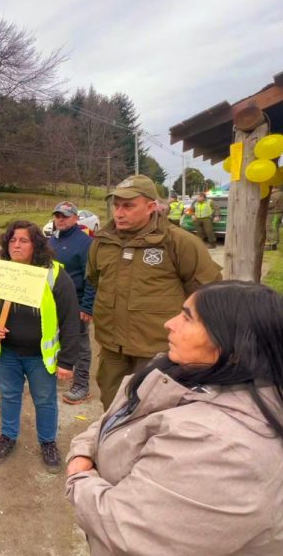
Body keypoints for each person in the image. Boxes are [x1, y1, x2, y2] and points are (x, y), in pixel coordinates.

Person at [66, 281, 283, 556]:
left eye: (187, 318)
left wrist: (79, 476)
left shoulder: (224, 449)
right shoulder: (180, 371)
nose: (169, 324)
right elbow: (119, 417)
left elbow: (125, 527)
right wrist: (84, 448)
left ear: (231, 342)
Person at [88, 175, 222, 410]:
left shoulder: (178, 242)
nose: (119, 212)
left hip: (156, 352)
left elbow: (207, 294)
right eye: (116, 205)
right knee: (112, 409)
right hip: (112, 349)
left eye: (128, 206)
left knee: (154, 414)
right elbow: (96, 280)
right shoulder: (102, 242)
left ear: (151, 207)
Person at [0, 220, 80, 473]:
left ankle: (48, 442)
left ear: (36, 245)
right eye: (12, 240)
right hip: (6, 353)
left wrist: (67, 361)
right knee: (9, 397)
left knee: (44, 401)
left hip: (39, 357)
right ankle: (8, 437)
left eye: (23, 240)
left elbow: (70, 319)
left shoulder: (54, 274)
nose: (16, 245)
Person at [48, 201, 95, 405]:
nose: (60, 219)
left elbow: (91, 278)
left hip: (75, 303)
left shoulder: (85, 243)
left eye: (65, 216)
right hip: (51, 303)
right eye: (57, 216)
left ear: (76, 218)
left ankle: (81, 385)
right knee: (52, 339)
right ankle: (55, 373)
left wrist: (87, 306)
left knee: (80, 343)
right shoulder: (50, 241)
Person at [266, 185, 283, 251]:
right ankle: (272, 244)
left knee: (271, 228)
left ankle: (272, 245)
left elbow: (270, 205)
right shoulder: (282, 194)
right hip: (278, 213)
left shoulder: (275, 195)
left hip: (273, 214)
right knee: (274, 227)